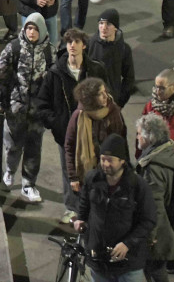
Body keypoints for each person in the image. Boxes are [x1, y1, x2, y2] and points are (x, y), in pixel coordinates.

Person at [34, 28, 109, 223]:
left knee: (93, 170)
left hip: (93, 132)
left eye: (76, 42)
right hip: (66, 134)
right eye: (69, 42)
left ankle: (91, 208)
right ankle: (72, 209)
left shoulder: (96, 70)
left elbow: (108, 98)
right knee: (70, 172)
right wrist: (58, 124)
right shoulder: (55, 73)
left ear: (84, 45)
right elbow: (42, 104)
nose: (72, 46)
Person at [73, 134, 156, 282]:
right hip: (98, 260)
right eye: (102, 159)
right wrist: (81, 219)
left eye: (110, 160)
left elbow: (148, 220)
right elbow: (84, 202)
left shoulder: (138, 186)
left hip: (129, 264)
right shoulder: (92, 178)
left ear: (122, 161)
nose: (105, 164)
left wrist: (127, 244)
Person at [0, 12, 52, 203]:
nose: (31, 32)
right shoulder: (14, 48)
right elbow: (0, 77)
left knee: (34, 148)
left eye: (35, 28)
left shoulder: (49, 51)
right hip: (16, 108)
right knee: (12, 145)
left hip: (38, 112)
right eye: (28, 28)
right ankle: (9, 172)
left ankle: (28, 184)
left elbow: (54, 83)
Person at [134, 114, 174, 282]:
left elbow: (154, 205)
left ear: (149, 138)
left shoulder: (153, 167)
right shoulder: (171, 150)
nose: (137, 137)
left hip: (159, 230)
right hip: (169, 223)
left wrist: (150, 236)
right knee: (154, 270)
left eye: (139, 133)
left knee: (154, 270)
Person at [64, 78, 128, 204]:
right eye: (100, 94)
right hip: (88, 175)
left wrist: (125, 170)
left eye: (105, 91)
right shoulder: (79, 115)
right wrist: (73, 177)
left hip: (111, 171)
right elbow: (69, 146)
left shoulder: (114, 111)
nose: (106, 96)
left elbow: (122, 143)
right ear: (90, 98)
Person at [88, 9, 136, 108]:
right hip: (90, 100)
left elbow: (129, 78)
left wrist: (120, 101)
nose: (104, 27)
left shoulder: (124, 49)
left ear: (115, 28)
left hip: (112, 101)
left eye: (108, 24)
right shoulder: (89, 44)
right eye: (101, 23)